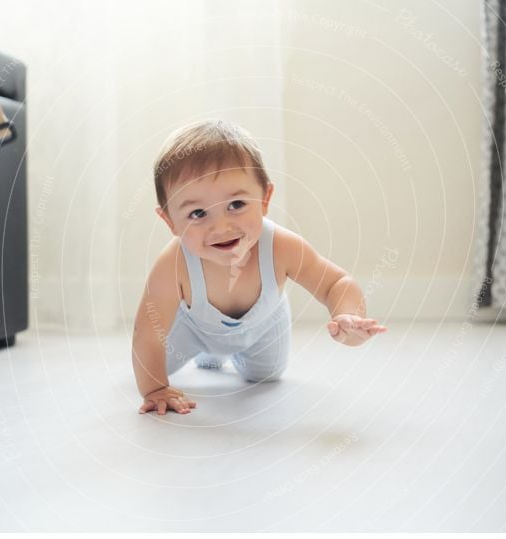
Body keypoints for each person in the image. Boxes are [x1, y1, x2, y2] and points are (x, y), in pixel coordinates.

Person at [133, 120, 388, 415]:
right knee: (156, 362)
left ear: (265, 199)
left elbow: (336, 282)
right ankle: (207, 355)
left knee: (265, 377)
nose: (221, 226)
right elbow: (148, 331)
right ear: (169, 222)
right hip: (192, 330)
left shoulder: (281, 247)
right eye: (198, 213)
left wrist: (347, 316)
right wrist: (155, 388)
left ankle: (224, 357)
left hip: (264, 325)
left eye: (237, 204)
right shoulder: (174, 264)